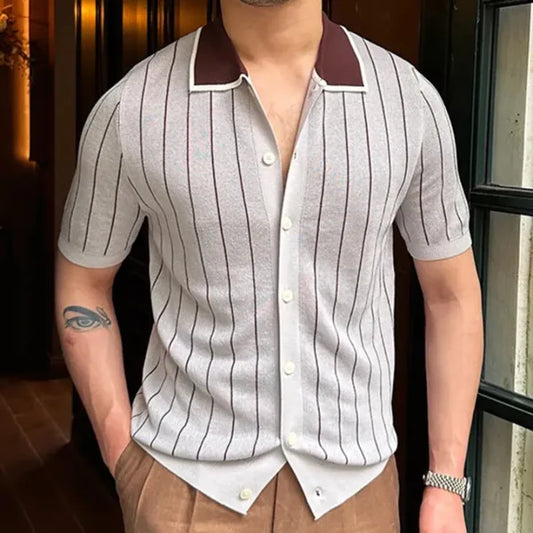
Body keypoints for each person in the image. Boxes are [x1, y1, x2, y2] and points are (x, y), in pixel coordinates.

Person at [54, 0, 484, 531]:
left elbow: (451, 296)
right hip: (181, 489)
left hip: (356, 499)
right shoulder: (132, 108)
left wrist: (446, 485)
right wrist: (122, 455)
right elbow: (84, 281)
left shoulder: (408, 103)